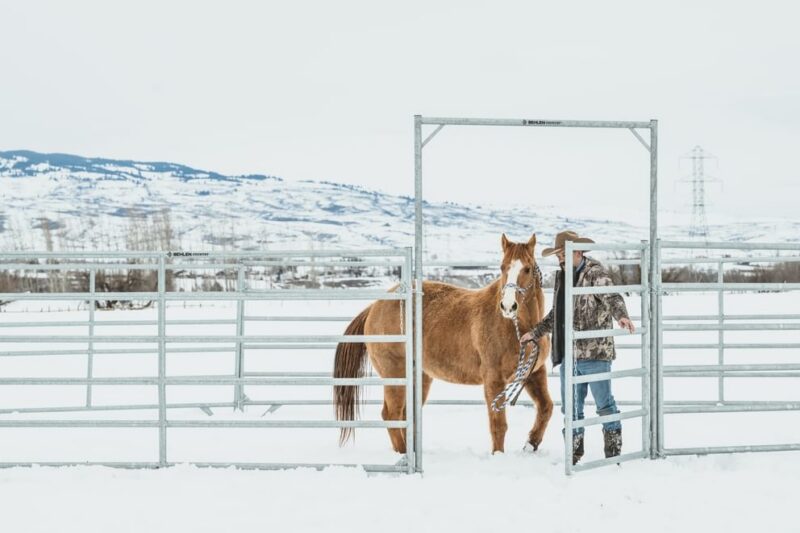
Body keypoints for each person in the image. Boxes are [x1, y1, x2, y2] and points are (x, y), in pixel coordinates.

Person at [519, 230, 634, 465]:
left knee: (604, 404)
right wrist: (535, 332)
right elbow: (556, 314)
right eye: (558, 255)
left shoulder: (594, 273)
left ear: (578, 252)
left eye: (564, 254)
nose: (560, 258)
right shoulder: (562, 277)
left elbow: (612, 296)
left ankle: (613, 453)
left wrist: (621, 315)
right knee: (571, 408)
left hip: (594, 353)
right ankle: (573, 454)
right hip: (568, 354)